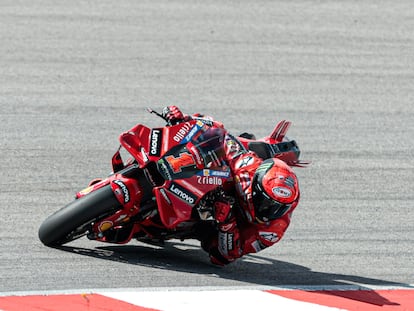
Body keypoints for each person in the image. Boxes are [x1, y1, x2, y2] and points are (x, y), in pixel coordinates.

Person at [162, 106, 301, 265]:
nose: (271, 211)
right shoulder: (247, 167)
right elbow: (222, 135)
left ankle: (184, 222)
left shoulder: (273, 230)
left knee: (217, 252)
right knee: (215, 143)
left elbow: (229, 255)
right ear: (256, 187)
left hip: (225, 225)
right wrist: (184, 120)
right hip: (219, 185)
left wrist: (227, 222)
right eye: (267, 203)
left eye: (279, 208)